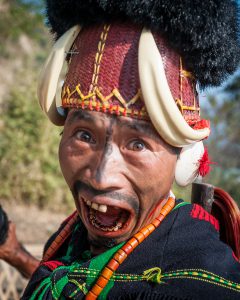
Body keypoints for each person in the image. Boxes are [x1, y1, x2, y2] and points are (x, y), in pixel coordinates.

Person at [1, 0, 240, 299]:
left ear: (185, 158)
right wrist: (15, 253)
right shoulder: (73, 233)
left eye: (137, 144)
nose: (102, 178)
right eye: (85, 135)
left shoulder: (201, 283)